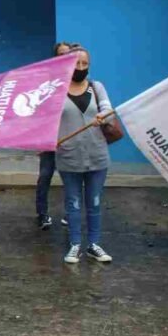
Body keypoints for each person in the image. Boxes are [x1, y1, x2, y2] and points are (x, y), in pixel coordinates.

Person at [56, 47, 113, 264]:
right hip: (68, 156)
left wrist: (103, 116)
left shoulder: (96, 88)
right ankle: (74, 244)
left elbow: (108, 109)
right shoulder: (58, 90)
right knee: (73, 203)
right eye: (76, 63)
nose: (80, 68)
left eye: (84, 64)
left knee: (95, 202)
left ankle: (94, 244)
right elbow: (47, 120)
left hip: (97, 155)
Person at [36, 42, 72, 230]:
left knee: (70, 179)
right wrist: (41, 140)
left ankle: (69, 214)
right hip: (50, 139)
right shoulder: (49, 82)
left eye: (67, 54)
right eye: (60, 54)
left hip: (70, 138)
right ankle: (42, 214)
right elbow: (41, 112)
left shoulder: (78, 82)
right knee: (45, 177)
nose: (64, 57)